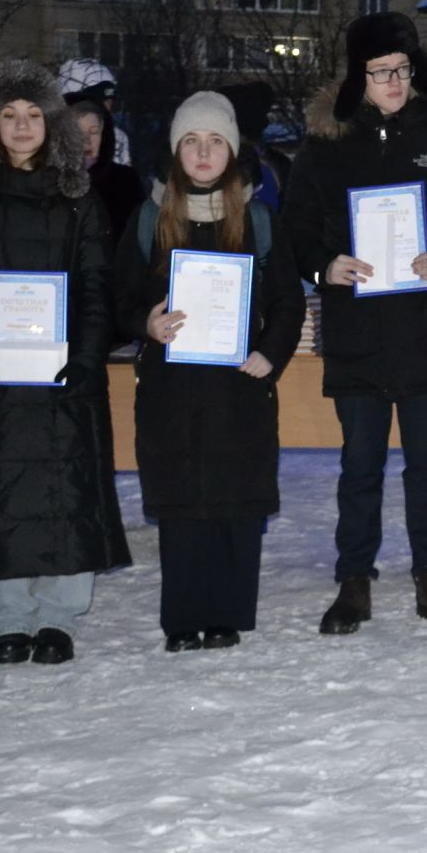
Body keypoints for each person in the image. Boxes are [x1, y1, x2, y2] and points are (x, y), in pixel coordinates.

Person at [283, 11, 427, 631]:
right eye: (380, 72)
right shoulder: (326, 147)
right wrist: (326, 265)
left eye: (402, 69)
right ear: (358, 76)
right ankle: (354, 583)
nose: (394, 82)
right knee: (359, 466)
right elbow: (296, 228)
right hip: (358, 334)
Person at [0, 59, 131, 665]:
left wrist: (88, 357)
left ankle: (57, 618)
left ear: (53, 123)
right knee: (2, 493)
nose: (22, 127)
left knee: (64, 492)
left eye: (33, 115)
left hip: (63, 374)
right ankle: (10, 619)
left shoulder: (80, 198)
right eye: (9, 115)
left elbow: (98, 287)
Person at [115, 92, 303, 651]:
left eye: (214, 141)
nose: (203, 152)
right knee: (181, 511)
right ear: (176, 152)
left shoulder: (260, 219)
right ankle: (182, 619)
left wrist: (270, 354)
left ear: (232, 151)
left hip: (239, 390)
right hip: (171, 393)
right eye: (191, 142)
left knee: (233, 507)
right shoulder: (150, 216)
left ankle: (226, 615)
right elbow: (118, 294)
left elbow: (289, 302)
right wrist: (145, 322)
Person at [70, 98, 144, 246]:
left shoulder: (125, 182)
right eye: (78, 133)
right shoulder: (50, 181)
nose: (86, 141)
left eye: (94, 132)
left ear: (103, 136)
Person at [57, 57, 131, 169]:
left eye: (108, 101)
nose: (105, 108)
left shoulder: (118, 138)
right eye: (96, 102)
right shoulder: (47, 139)